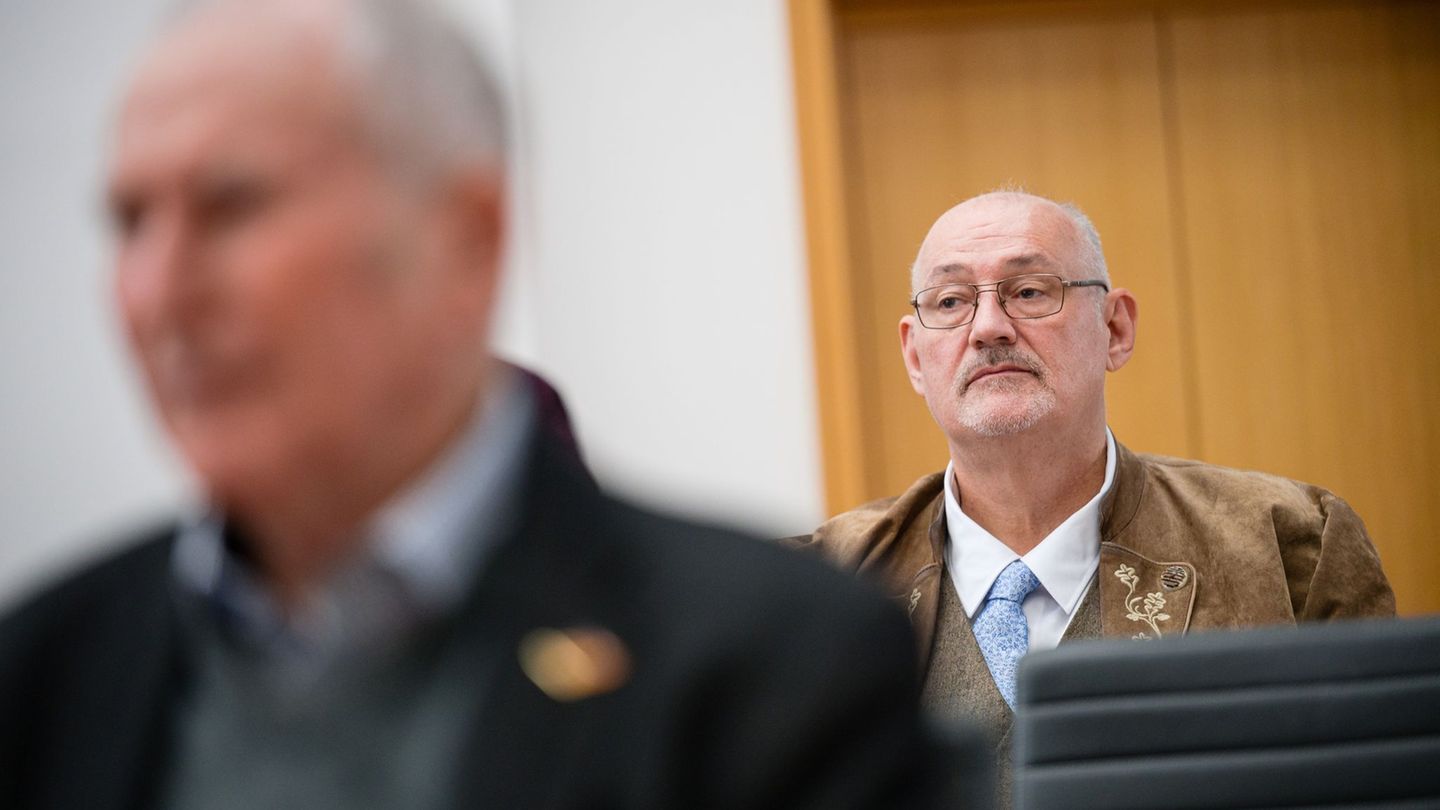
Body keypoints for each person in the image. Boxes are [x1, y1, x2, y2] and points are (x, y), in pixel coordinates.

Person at [0, 1, 971, 807]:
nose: (159, 292)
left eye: (233, 205)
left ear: (467, 239)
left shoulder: (774, 671)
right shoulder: (44, 673)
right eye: (131, 221)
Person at [789, 189, 1395, 801]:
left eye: (1029, 291)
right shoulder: (817, 589)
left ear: (1115, 328)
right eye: (950, 302)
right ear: (915, 357)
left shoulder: (1289, 544)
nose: (990, 328)